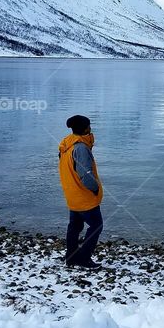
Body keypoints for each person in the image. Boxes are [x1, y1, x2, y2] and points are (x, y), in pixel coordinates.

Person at [58, 114, 104, 269]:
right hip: (84, 197)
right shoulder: (81, 148)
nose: (91, 128)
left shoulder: (66, 145)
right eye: (89, 126)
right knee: (96, 225)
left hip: (72, 195)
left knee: (75, 227)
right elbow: (85, 175)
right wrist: (95, 188)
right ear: (85, 128)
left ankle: (71, 258)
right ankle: (84, 258)